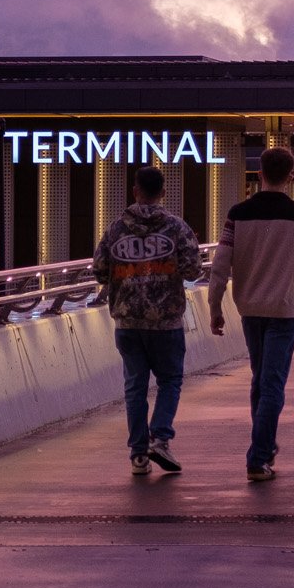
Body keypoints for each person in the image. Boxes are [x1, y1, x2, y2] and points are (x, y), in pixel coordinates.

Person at [208, 146, 294, 481]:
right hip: (285, 309)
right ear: (290, 177)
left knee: (260, 379)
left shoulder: (238, 213)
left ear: (259, 174)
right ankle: (258, 458)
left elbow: (219, 267)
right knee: (272, 382)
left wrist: (215, 307)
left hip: (249, 307)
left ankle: (266, 446)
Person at [93, 165, 203, 476]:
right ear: (163, 192)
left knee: (135, 386)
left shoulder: (115, 229)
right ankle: (161, 437)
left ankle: (138, 454)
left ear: (135, 190)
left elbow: (100, 270)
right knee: (170, 381)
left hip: (127, 323)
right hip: (166, 322)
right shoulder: (177, 228)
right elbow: (193, 270)